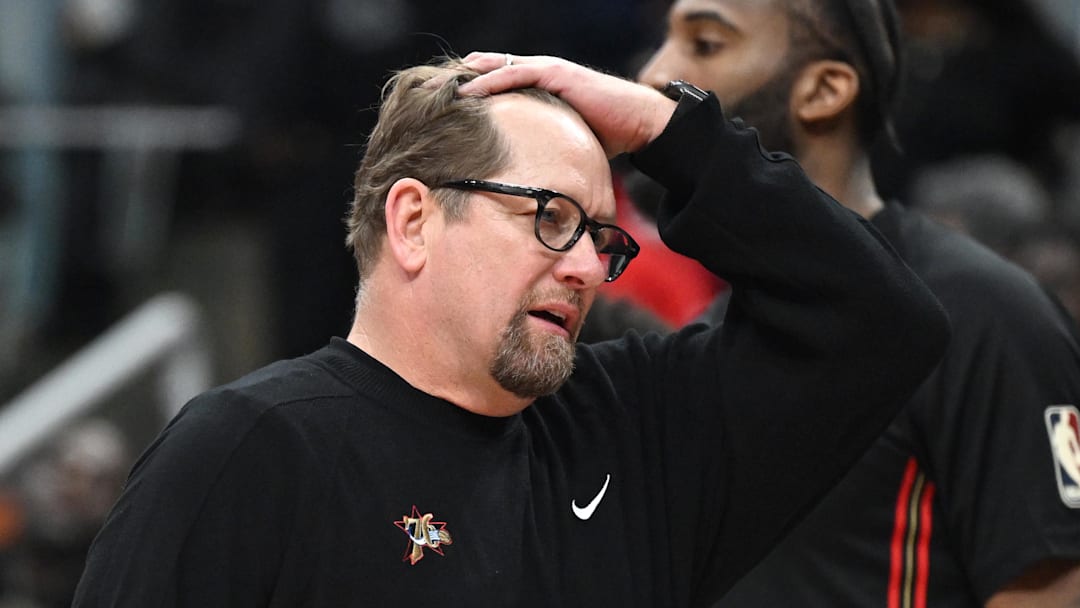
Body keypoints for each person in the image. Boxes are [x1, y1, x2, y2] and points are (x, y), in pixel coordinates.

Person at [71, 54, 948, 607]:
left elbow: (884, 324)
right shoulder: (250, 449)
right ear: (413, 220)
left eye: (602, 238)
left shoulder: (636, 431)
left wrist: (664, 128)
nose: (587, 265)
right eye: (552, 216)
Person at [636, 0, 1080, 605]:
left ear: (822, 90)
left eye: (706, 44)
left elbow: (1049, 592)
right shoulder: (713, 330)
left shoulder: (982, 311)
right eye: (666, 40)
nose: (654, 74)